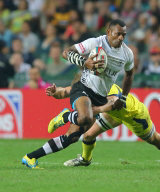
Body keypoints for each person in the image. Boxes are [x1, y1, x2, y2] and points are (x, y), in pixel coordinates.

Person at [22, 19, 134, 168]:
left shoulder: (127, 53)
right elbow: (65, 52)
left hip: (100, 96)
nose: (121, 38)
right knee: (84, 118)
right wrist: (84, 62)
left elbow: (129, 74)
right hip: (83, 87)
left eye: (124, 35)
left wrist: (125, 96)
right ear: (108, 32)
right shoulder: (95, 43)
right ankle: (65, 116)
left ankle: (30, 157)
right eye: (118, 34)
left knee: (72, 137)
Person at [22, 75, 160, 169]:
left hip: (133, 114)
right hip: (112, 113)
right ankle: (85, 160)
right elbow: (65, 92)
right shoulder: (89, 86)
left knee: (154, 139)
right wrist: (54, 92)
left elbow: (110, 104)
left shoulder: (105, 93)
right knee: (88, 136)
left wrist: (73, 116)